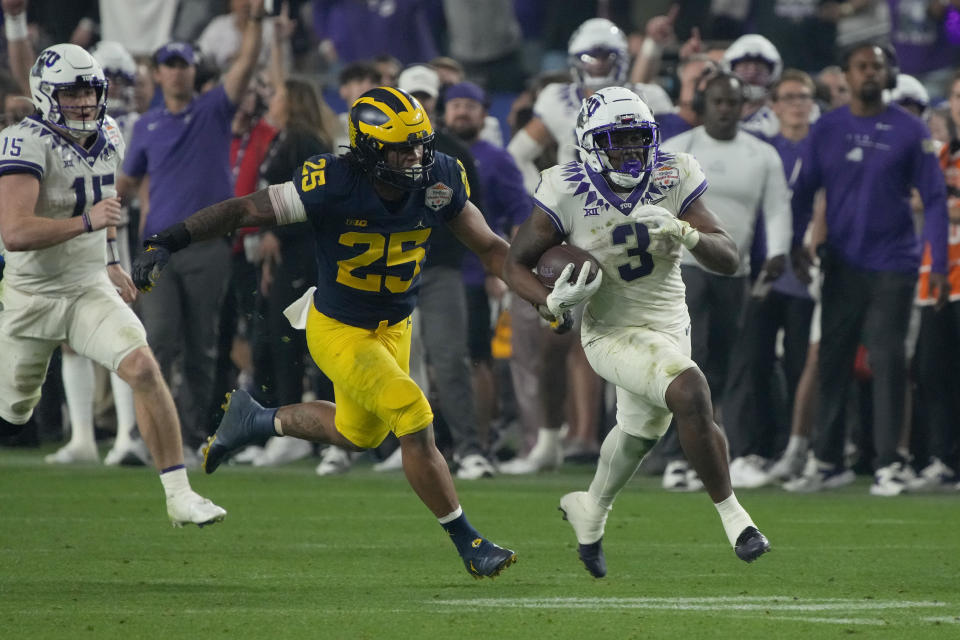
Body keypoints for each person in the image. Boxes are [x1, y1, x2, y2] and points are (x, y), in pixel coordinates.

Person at [131, 86, 517, 579]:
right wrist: (171, 239)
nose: (416, 156)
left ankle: (255, 420)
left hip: (395, 325)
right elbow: (246, 209)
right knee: (413, 411)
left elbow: (489, 246)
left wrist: (539, 291)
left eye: (420, 143)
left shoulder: (440, 176)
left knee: (359, 433)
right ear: (368, 148)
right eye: (401, 147)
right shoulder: (331, 182)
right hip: (339, 328)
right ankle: (469, 542)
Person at [503, 86, 771, 578]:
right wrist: (549, 303)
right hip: (611, 333)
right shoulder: (562, 188)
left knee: (639, 432)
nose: (630, 152)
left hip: (672, 324)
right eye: (616, 141)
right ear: (588, 144)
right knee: (689, 391)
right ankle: (738, 520)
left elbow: (729, 257)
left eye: (637, 139)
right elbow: (513, 264)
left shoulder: (674, 172)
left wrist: (686, 233)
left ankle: (591, 511)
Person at [0, 44, 226, 527]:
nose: (84, 102)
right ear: (45, 94)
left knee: (144, 367)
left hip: (86, 287)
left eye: (90, 91)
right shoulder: (23, 141)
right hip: (31, 296)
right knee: (13, 413)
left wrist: (110, 259)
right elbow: (16, 232)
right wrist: (86, 223)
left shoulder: (110, 133)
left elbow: (104, 212)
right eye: (72, 92)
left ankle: (179, 494)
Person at [788, 43, 950, 496]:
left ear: (890, 74)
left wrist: (936, 261)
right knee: (832, 363)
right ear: (846, 74)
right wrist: (795, 245)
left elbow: (934, 198)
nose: (870, 74)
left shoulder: (911, 130)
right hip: (840, 263)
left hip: (894, 264)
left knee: (887, 360)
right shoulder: (828, 128)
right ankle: (827, 460)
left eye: (877, 66)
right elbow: (803, 192)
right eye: (861, 67)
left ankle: (889, 464)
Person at [118, 1, 264, 460]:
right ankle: (153, 435)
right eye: (169, 65)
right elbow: (125, 185)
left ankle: (192, 435)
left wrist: (257, 23)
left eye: (183, 65)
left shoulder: (212, 110)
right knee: (158, 339)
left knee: (201, 346)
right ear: (157, 73)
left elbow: (244, 65)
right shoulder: (145, 126)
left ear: (193, 71)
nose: (177, 73)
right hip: (159, 249)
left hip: (206, 246)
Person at [656, 72, 793, 491]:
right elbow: (655, 206)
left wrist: (778, 251)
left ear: (743, 105)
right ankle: (677, 459)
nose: (725, 109)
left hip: (735, 273)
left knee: (739, 363)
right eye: (717, 101)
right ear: (703, 103)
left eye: (732, 102)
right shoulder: (680, 150)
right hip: (684, 272)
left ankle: (736, 450)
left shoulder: (761, 154)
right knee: (682, 362)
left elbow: (776, 210)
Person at [443, 81, 531, 474]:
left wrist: (509, 269)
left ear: (484, 113)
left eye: (469, 105)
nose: (461, 112)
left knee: (477, 359)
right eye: (455, 105)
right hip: (433, 270)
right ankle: (442, 441)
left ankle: (480, 440)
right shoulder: (430, 154)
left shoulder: (497, 159)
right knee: (438, 360)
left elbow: (520, 216)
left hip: (478, 274)